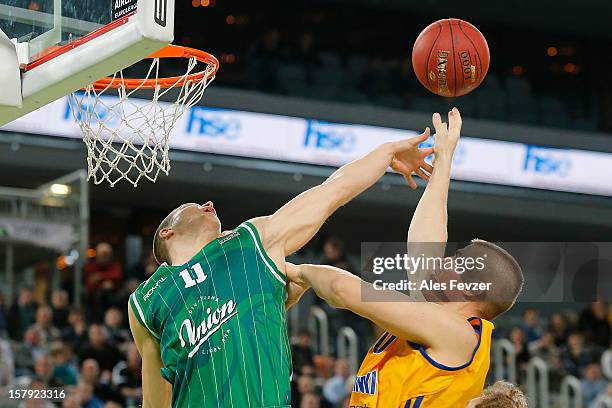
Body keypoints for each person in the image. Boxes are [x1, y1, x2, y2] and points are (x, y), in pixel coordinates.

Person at [127, 132, 433, 407]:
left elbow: (330, 192)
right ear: (167, 232)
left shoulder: (250, 242)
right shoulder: (145, 301)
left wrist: (387, 153)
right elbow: (156, 400)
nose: (207, 202)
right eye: (192, 205)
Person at [287, 109, 525, 407]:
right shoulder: (439, 321)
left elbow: (342, 289)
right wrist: (443, 160)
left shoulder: (458, 335)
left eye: (457, 260)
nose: (445, 260)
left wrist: (290, 270)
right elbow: (424, 244)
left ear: (472, 290)